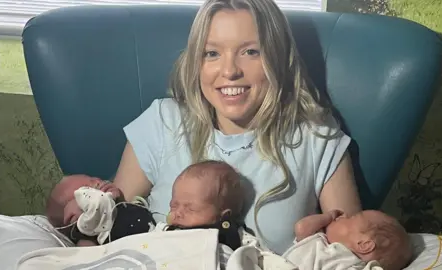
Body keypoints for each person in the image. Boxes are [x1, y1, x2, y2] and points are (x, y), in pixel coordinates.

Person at [62, 0, 362, 255]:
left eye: (251, 52)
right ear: (196, 62)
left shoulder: (316, 136)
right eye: (212, 53)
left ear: (278, 59)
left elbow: (355, 247)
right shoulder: (163, 122)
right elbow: (105, 224)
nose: (229, 71)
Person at [46, 160, 246, 250]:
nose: (98, 183)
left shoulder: (226, 232)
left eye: (94, 179)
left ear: (224, 215)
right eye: (86, 189)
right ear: (71, 217)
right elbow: (87, 258)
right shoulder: (94, 232)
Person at [286, 210, 413, 270]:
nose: (344, 215)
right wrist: (327, 216)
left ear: (364, 245)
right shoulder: (320, 241)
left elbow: (301, 228)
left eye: (351, 217)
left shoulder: (353, 266)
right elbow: (301, 228)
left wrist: (329, 217)